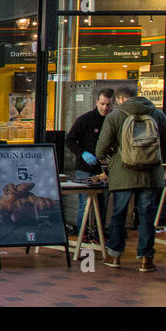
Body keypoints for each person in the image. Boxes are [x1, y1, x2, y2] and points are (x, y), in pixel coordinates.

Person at [95, 85, 166, 272]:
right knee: (147, 216)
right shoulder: (157, 115)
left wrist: (113, 158)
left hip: (123, 174)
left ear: (121, 100)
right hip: (151, 174)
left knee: (118, 215)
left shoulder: (114, 117)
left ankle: (115, 256)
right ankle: (146, 259)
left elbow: (101, 149)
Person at [65, 88, 113, 236]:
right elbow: (70, 140)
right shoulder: (85, 120)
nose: (105, 108)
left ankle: (99, 234)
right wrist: (82, 153)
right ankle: (82, 234)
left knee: (103, 203)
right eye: (102, 104)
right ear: (97, 102)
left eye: (108, 105)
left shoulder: (113, 120)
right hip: (85, 167)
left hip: (105, 169)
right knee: (84, 203)